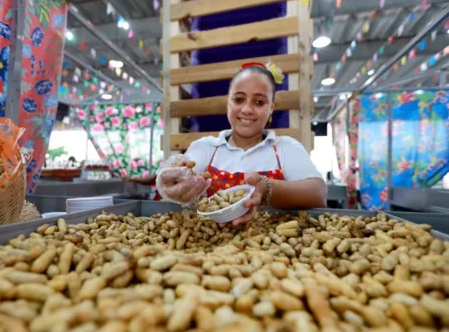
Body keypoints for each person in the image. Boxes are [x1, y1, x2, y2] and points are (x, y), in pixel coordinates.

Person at [128, 61, 326, 226]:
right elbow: (181, 170)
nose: (247, 109)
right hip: (209, 248)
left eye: (259, 102)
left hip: (272, 250)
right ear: (228, 103)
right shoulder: (206, 148)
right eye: (239, 99)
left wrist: (266, 188)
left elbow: (318, 194)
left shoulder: (284, 148)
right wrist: (169, 180)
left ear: (271, 108)